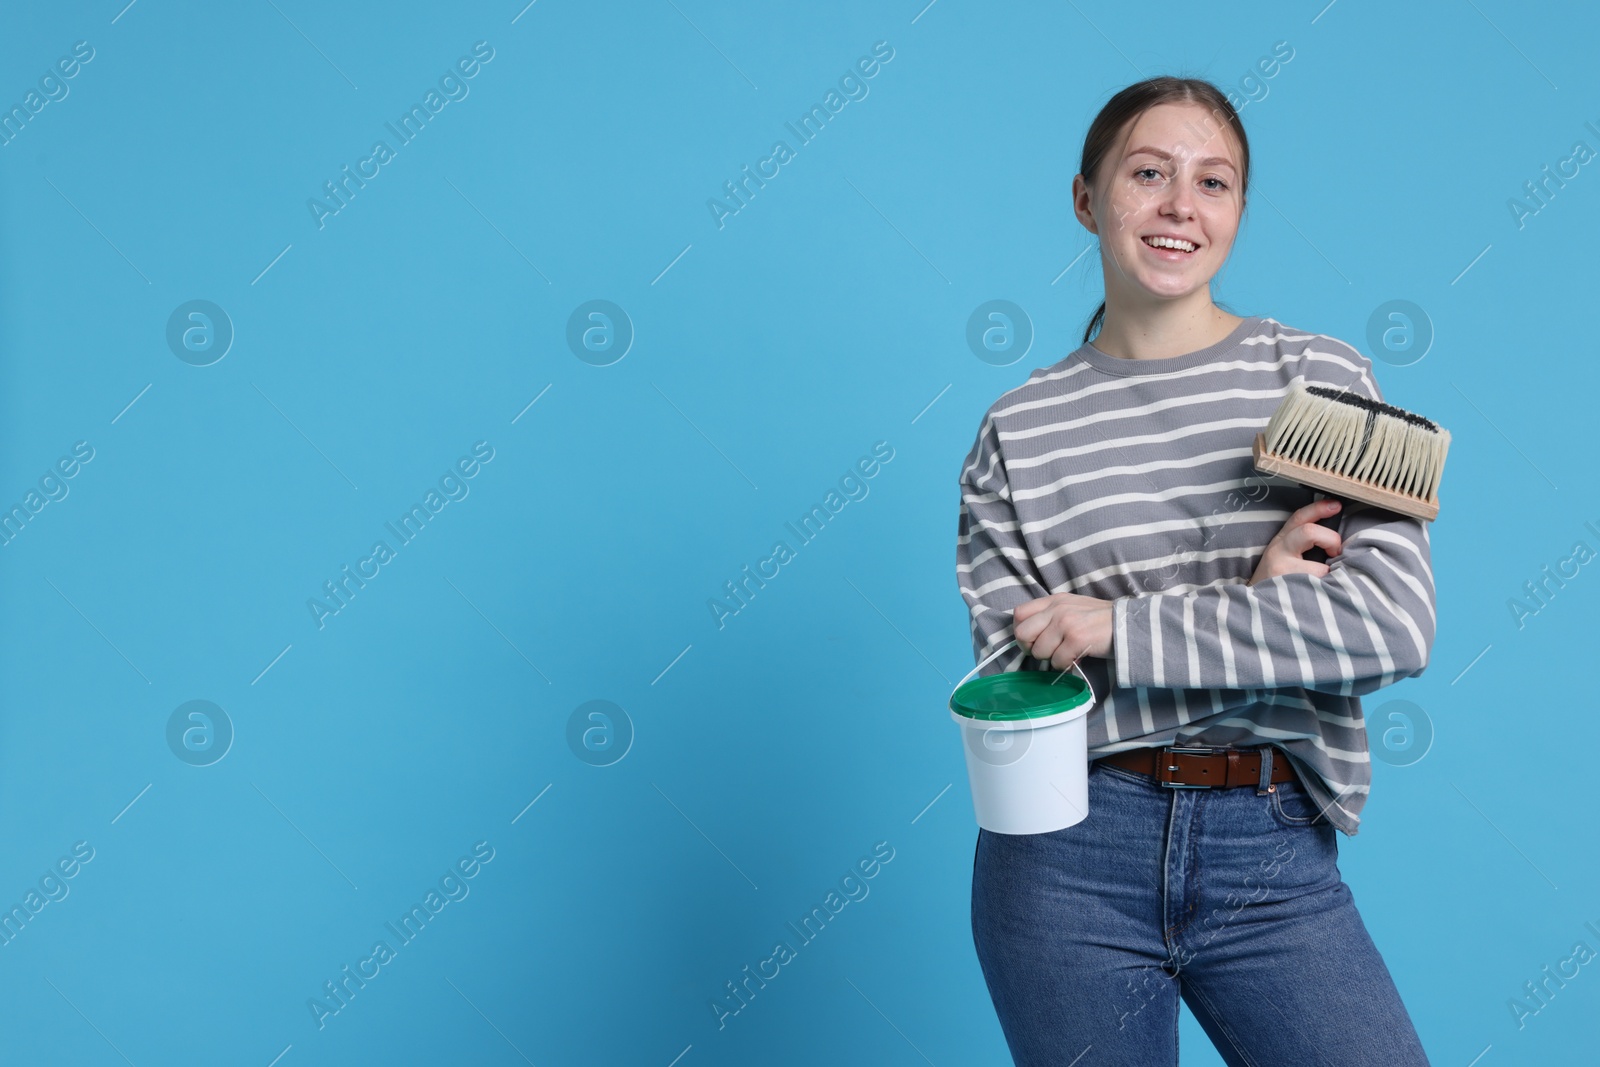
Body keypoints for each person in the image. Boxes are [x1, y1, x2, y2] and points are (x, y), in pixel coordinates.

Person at [955, 76, 1436, 1065]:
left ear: (1238, 213)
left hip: (1270, 844)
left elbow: (1389, 626)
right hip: (1065, 856)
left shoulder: (1316, 378)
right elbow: (1024, 695)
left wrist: (1116, 628)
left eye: (1212, 182)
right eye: (1147, 173)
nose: (1181, 206)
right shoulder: (1019, 429)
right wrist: (1255, 614)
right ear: (1087, 198)